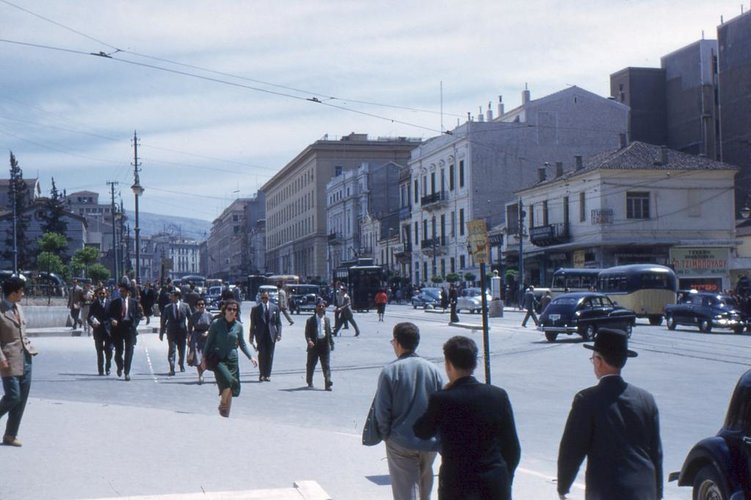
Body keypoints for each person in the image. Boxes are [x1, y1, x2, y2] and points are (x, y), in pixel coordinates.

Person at [557, 328, 662, 499]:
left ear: (598, 361)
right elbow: (656, 454)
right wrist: (657, 494)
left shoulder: (586, 400)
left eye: (592, 359)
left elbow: (572, 449)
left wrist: (563, 487)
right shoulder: (646, 400)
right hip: (644, 490)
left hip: (607, 491)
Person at [414, 336, 520, 500]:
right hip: (494, 482)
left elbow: (422, 431)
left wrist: (442, 394)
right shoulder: (498, 395)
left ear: (448, 364)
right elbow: (512, 447)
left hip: (458, 485)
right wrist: (506, 479)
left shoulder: (442, 399)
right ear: (474, 364)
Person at [371, 322, 444, 500]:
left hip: (401, 441)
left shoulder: (390, 371)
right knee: (425, 490)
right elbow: (442, 407)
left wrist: (386, 435)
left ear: (397, 342)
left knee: (407, 493)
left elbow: (382, 410)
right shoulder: (433, 370)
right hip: (429, 442)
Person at [201, 299, 257, 417]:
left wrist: (250, 357)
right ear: (224, 310)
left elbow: (242, 344)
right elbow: (209, 342)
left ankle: (226, 413)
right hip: (218, 359)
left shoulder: (239, 326)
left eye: (234, 310)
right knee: (229, 381)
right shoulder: (216, 324)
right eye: (229, 309)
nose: (232, 311)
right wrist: (203, 359)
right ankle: (222, 405)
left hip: (232, 360)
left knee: (229, 387)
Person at [0, 276, 38, 447]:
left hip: (26, 359)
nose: (23, 292)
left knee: (21, 399)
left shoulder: (19, 308)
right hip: (7, 360)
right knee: (13, 396)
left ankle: (10, 435)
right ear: (13, 292)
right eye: (21, 290)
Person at [108, 281, 141, 381]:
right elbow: (109, 315)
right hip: (118, 328)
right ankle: (120, 365)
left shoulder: (134, 302)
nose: (121, 293)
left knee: (129, 350)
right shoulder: (115, 302)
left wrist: (134, 324)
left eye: (123, 291)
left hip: (129, 328)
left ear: (127, 292)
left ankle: (127, 372)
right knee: (118, 351)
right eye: (120, 291)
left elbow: (138, 315)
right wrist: (112, 320)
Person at [250, 290, 282, 382]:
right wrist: (251, 336)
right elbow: (253, 324)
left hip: (271, 335)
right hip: (260, 335)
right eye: (263, 298)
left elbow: (278, 323)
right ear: (261, 298)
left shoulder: (275, 308)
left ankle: (268, 375)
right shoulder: (256, 309)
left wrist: (279, 334)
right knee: (262, 355)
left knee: (270, 355)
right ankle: (262, 374)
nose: (264, 299)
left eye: (266, 298)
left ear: (269, 298)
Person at [159, 289, 192, 375]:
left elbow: (190, 319)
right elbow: (163, 321)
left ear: (177, 297)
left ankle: (181, 364)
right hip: (171, 332)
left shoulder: (185, 306)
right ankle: (172, 367)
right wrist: (161, 333)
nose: (170, 297)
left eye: (172, 296)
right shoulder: (167, 307)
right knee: (172, 350)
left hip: (182, 332)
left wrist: (190, 331)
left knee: (182, 350)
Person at [304, 298, 334, 390]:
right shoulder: (310, 320)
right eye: (319, 306)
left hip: (324, 344)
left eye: (323, 306)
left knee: (326, 365)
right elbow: (307, 333)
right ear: (316, 308)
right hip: (314, 345)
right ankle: (309, 381)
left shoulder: (327, 320)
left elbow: (329, 332)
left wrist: (331, 343)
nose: (321, 308)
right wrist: (309, 341)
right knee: (311, 364)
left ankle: (328, 383)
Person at [87, 286, 112, 376]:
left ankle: (108, 367)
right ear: (97, 294)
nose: (102, 295)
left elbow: (113, 316)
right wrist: (92, 323)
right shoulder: (94, 304)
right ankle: (100, 370)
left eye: (103, 293)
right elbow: (89, 317)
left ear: (106, 294)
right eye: (100, 293)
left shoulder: (110, 304)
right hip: (98, 331)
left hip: (108, 332)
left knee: (109, 351)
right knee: (99, 351)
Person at [188, 298, 212, 384]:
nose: (201, 306)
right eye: (199, 304)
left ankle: (204, 370)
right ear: (196, 306)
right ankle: (200, 375)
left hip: (207, 338)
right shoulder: (193, 316)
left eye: (202, 304)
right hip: (196, 338)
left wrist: (208, 332)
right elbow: (190, 329)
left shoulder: (210, 315)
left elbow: (213, 327)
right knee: (197, 358)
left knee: (205, 357)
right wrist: (189, 339)